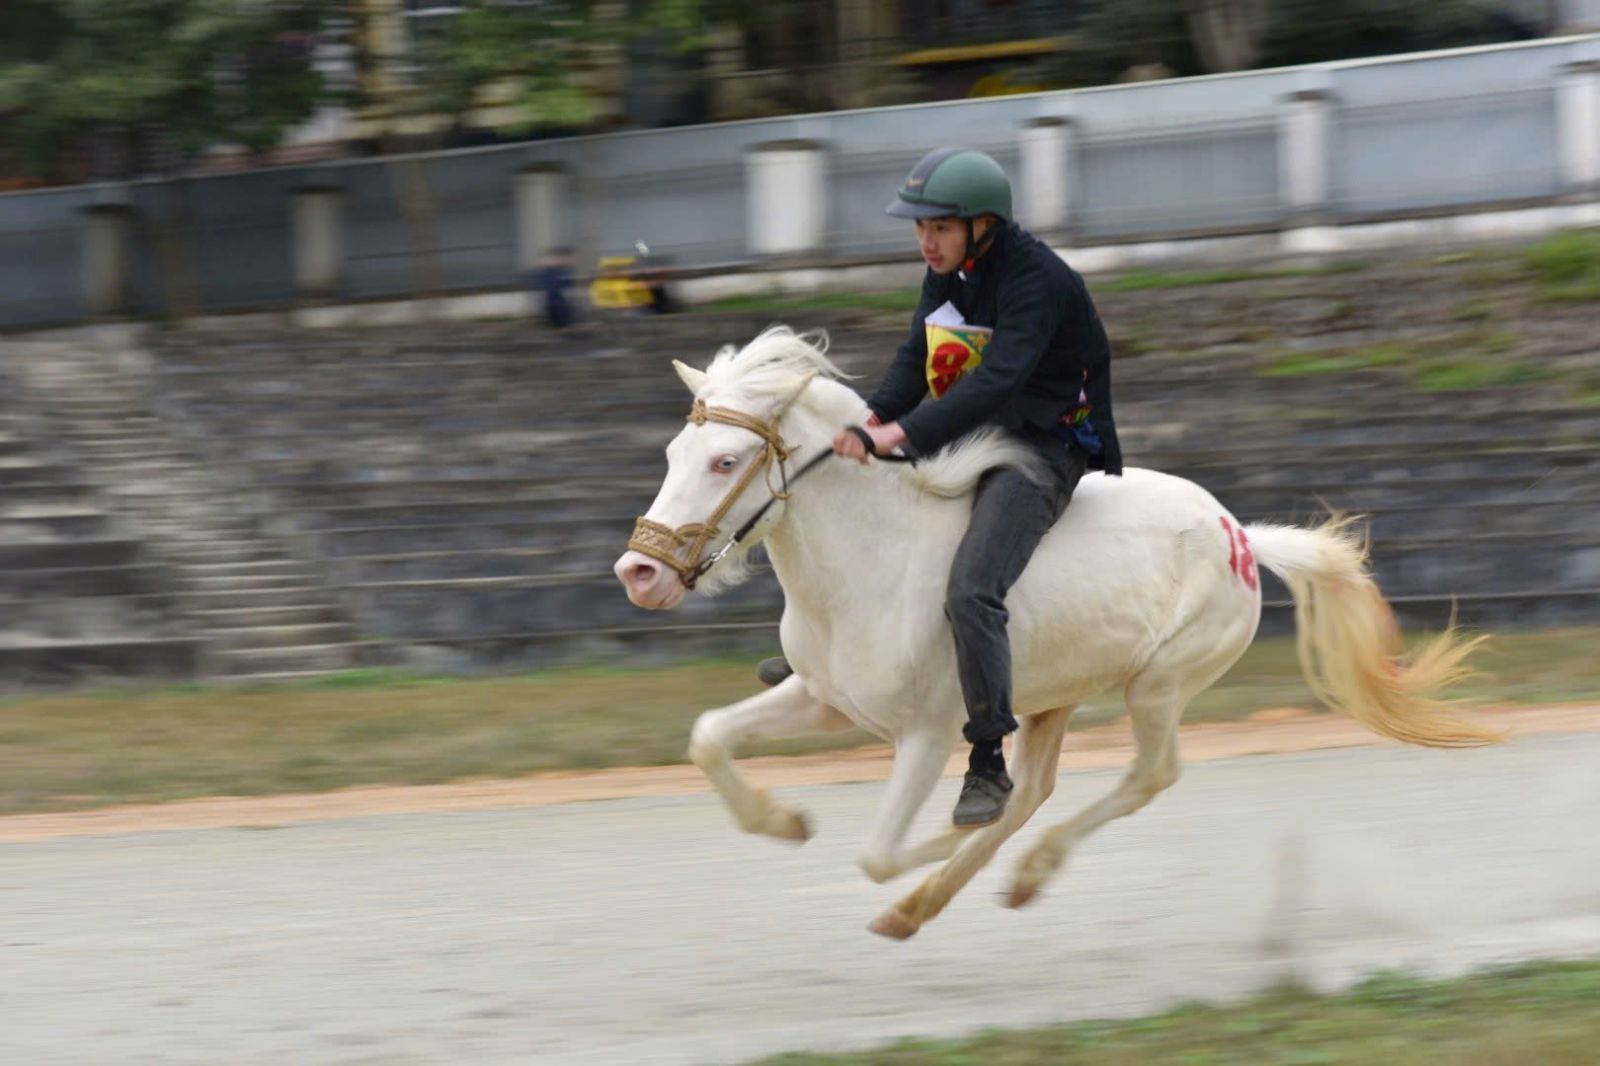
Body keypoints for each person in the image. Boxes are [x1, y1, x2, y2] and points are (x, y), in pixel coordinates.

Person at [757, 146, 1124, 827]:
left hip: (1046, 445)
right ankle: (822, 658)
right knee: (863, 510)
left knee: (971, 588)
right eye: (920, 228)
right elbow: (916, 363)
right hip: (979, 428)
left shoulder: (1037, 279)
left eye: (941, 228)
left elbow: (995, 380)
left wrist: (899, 437)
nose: (926, 242)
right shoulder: (950, 274)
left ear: (984, 225)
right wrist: (868, 419)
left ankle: (987, 754)